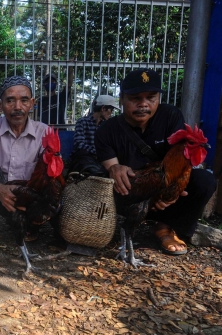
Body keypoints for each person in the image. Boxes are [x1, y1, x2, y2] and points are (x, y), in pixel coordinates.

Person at [95, 68, 216, 255]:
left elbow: (178, 165)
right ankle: (112, 227)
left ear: (159, 97)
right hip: (131, 197)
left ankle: (166, 227)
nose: (143, 104)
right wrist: (115, 168)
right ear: (122, 99)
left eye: (151, 97)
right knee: (108, 181)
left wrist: (169, 194)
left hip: (163, 194)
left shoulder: (170, 116)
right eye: (135, 98)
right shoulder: (107, 130)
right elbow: (112, 167)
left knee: (204, 181)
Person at [0, 75, 48, 215]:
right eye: (10, 100)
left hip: (32, 200)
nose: (17, 107)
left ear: (32, 103)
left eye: (24, 100)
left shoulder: (44, 132)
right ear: (0, 105)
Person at [68, 95, 120, 175]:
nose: (111, 113)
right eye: (111, 109)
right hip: (83, 159)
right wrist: (98, 152)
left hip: (99, 159)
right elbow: (79, 143)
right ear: (103, 109)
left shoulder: (107, 126)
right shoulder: (82, 122)